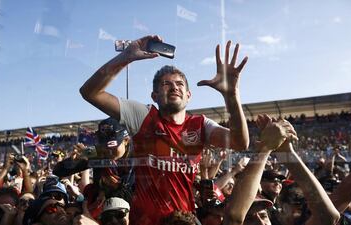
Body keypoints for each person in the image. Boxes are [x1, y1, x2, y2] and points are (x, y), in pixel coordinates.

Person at [80, 35, 249, 225]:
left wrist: (232, 96)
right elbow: (90, 92)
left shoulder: (201, 125)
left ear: (188, 95)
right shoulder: (143, 116)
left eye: (179, 84)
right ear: (154, 95)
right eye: (165, 84)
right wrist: (125, 57)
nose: (174, 88)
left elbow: (239, 142)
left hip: (183, 221)